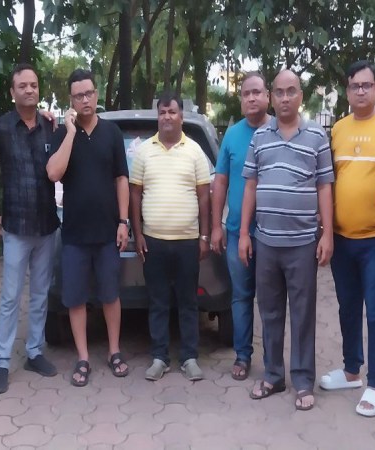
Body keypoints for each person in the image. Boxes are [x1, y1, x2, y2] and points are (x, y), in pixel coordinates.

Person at [240, 70, 334, 411]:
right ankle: (274, 375)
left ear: (300, 96)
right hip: (266, 242)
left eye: (290, 91)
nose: (284, 98)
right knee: (269, 311)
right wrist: (244, 234)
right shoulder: (259, 137)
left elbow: (324, 186)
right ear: (272, 96)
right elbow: (250, 186)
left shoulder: (317, 137)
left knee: (303, 313)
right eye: (278, 92)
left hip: (303, 243)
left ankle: (304, 380)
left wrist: (328, 234)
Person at [321, 60, 375, 417]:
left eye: (367, 85)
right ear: (347, 90)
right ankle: (351, 371)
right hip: (342, 239)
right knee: (347, 307)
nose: (361, 91)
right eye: (355, 85)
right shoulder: (338, 129)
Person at [46, 69, 130, 387]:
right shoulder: (63, 134)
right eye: (78, 95)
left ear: (96, 94)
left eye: (89, 93)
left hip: (108, 232)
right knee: (76, 298)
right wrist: (69, 133)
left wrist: (123, 222)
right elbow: (53, 173)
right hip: (75, 235)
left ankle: (114, 351)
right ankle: (82, 357)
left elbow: (121, 179)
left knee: (110, 295)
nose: (85, 99)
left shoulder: (112, 133)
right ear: (71, 100)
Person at [0, 64, 60, 394]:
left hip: (47, 226)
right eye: (23, 86)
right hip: (16, 227)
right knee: (10, 296)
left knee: (41, 293)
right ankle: (1, 362)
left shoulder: (50, 126)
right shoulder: (0, 128)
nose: (29, 90)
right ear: (13, 91)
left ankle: (34, 352)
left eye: (34, 85)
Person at [130, 93, 211, 382]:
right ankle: (159, 358)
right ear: (158, 116)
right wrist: (138, 233)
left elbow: (204, 196)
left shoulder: (195, 151)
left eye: (172, 112)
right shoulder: (143, 152)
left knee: (188, 301)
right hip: (153, 240)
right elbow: (135, 194)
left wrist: (204, 236)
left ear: (181, 116)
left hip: (188, 241)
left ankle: (189, 358)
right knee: (158, 302)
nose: (167, 116)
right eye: (162, 112)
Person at [211, 72, 270, 381]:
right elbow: (220, 181)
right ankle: (242, 356)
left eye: (257, 92)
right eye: (246, 93)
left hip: (273, 235)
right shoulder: (232, 135)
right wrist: (216, 226)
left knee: (272, 300)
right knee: (241, 296)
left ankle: (273, 360)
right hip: (236, 233)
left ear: (267, 96)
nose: (251, 98)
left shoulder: (279, 131)